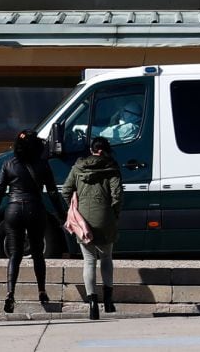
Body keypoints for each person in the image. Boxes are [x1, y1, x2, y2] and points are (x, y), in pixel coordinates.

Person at [0, 129, 65, 313]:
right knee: (38, 252)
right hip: (35, 208)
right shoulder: (43, 164)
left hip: (13, 209)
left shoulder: (8, 164)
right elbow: (52, 192)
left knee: (15, 254)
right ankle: (42, 291)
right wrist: (62, 214)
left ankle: (10, 293)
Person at [60, 136, 123, 320]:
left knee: (88, 261)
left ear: (92, 149)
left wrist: (74, 207)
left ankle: (93, 304)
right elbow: (117, 195)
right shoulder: (111, 167)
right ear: (105, 150)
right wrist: (114, 214)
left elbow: (66, 190)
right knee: (106, 258)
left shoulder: (78, 167)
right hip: (105, 218)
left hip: (83, 219)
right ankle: (109, 301)